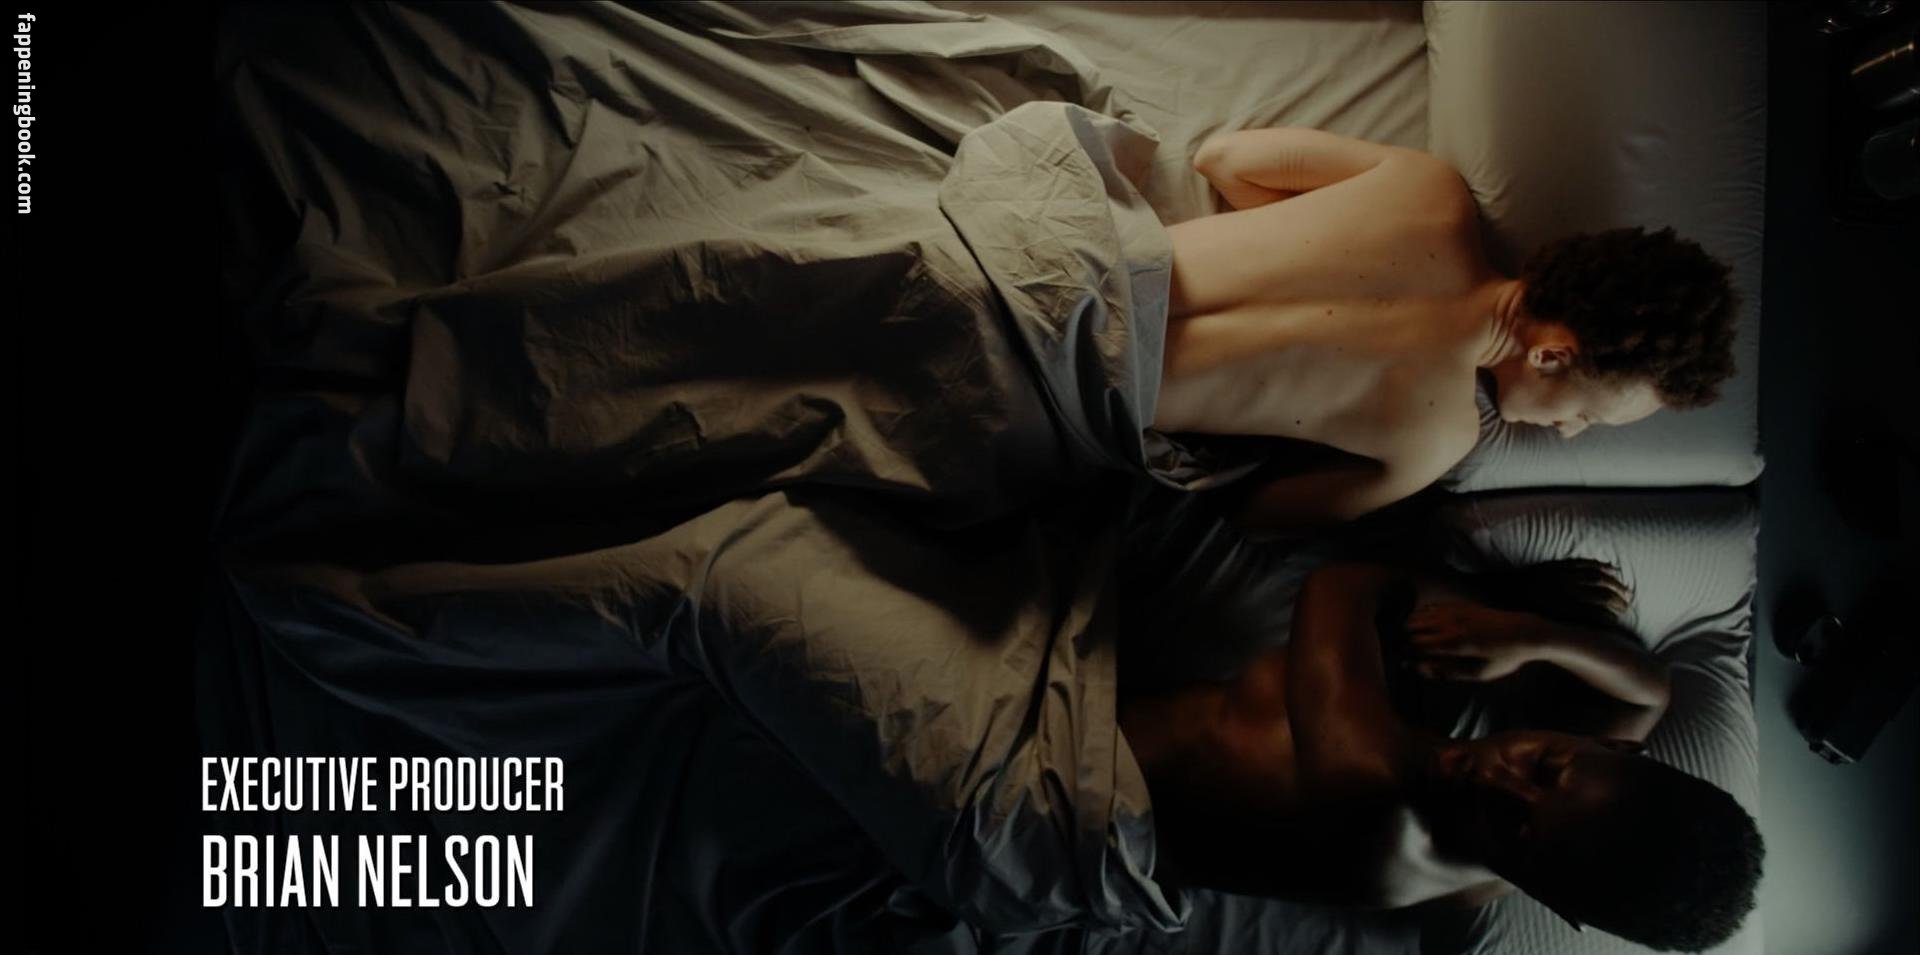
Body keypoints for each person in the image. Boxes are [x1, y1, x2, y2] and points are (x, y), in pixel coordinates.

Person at [1117, 556, 1764, 953]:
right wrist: (1536, 637)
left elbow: (1341, 586)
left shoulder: (1375, 804)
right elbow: (1650, 690)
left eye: (1514, 825)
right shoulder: (1510, 867)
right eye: (1543, 767)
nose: (1493, 778)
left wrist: (1501, 601)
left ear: (1551, 900)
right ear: (1611, 744)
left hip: (1094, 776)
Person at [1152, 128, 1740, 532]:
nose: (1568, 433)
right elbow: (1258, 516)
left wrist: (1291, 249)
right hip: (1102, 389)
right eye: (1586, 416)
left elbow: (1220, 158)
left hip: (1101, 259)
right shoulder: (1437, 438)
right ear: (1550, 357)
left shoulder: (1426, 188)